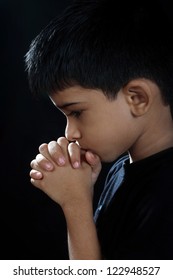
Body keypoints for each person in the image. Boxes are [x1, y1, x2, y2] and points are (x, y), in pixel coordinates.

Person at [25, 0, 173, 259]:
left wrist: (76, 204)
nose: (69, 133)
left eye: (76, 112)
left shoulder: (166, 196)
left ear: (137, 98)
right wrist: (82, 187)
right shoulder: (122, 168)